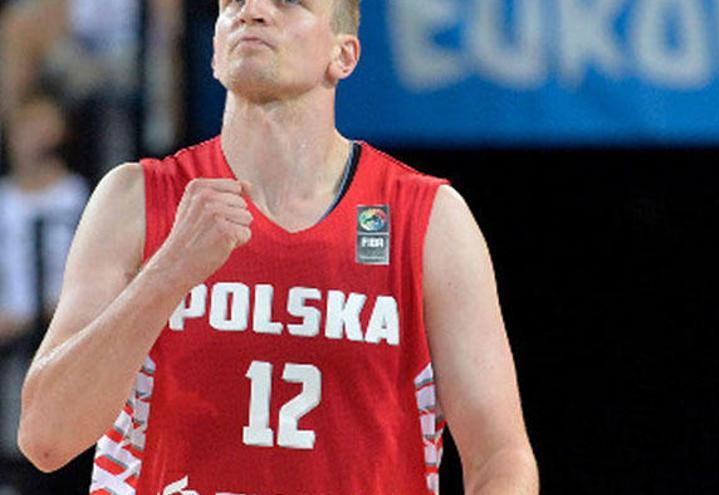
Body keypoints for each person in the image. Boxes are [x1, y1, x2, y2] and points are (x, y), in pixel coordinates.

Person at [17, 1, 539, 494]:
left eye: (289, 1)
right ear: (216, 50)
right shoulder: (136, 199)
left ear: (344, 54)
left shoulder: (427, 219)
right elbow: (46, 438)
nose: (253, 10)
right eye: (233, 4)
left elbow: (499, 456)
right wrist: (167, 273)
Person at [0, 93, 89, 493]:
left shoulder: (78, 197)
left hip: (58, 321)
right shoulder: (3, 198)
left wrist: (37, 313)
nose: (33, 138)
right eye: (25, 128)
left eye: (43, 127)